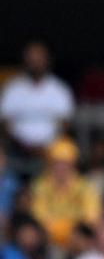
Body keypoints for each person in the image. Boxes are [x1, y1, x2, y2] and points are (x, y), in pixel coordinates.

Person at [0, 41, 75, 170]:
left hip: (50, 150)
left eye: (38, 59)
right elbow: (5, 123)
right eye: (31, 59)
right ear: (25, 60)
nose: (35, 63)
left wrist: (45, 146)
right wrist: (23, 145)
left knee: (65, 151)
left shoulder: (59, 90)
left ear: (47, 61)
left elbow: (65, 124)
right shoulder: (12, 89)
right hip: (16, 149)